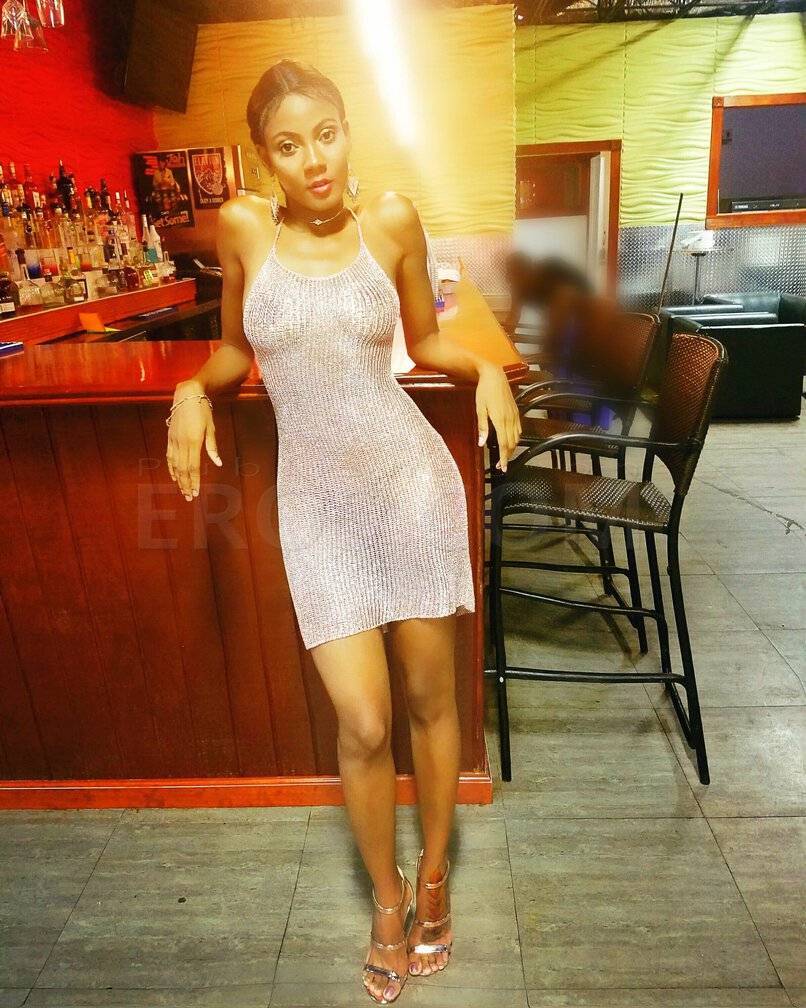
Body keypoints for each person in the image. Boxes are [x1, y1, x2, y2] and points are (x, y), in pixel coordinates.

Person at [165, 58, 521, 1005]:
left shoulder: (392, 220)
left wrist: (486, 369)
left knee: (432, 703)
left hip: (410, 489)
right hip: (317, 507)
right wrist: (190, 390)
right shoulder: (244, 229)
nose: (314, 159)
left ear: (347, 131)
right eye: (289, 146)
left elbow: (426, 340)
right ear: (265, 160)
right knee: (363, 722)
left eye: (326, 134)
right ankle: (385, 897)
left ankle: (434, 879)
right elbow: (235, 354)